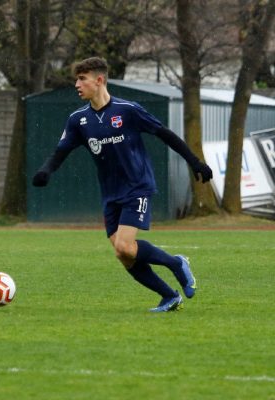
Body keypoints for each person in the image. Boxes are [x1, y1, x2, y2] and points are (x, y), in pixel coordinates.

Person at [32, 57, 213, 312]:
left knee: (124, 245)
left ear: (99, 80)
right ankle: (169, 296)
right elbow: (60, 151)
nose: (77, 84)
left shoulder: (128, 110)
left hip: (137, 186)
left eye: (82, 79)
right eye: (76, 79)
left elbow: (166, 135)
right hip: (110, 193)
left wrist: (195, 162)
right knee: (124, 254)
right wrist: (45, 171)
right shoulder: (78, 120)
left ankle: (176, 263)